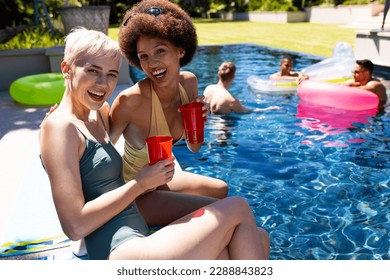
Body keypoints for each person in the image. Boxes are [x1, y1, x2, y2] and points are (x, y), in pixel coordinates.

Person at [40, 27, 270, 260]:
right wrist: (140, 184)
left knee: (258, 237)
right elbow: (74, 226)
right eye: (93, 71)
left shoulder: (97, 114)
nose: (103, 84)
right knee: (238, 208)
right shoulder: (60, 128)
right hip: (120, 252)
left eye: (111, 74)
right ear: (67, 69)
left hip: (140, 234)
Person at [110, 0, 227, 199]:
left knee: (221, 190)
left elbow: (194, 147)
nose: (152, 63)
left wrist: (199, 119)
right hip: (134, 192)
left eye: (160, 51)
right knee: (219, 210)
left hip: (163, 181)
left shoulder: (188, 83)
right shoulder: (130, 101)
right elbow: (98, 156)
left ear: (180, 50)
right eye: (143, 56)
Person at [204, 61, 280, 114]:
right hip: (224, 127)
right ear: (233, 77)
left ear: (218, 73)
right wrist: (268, 109)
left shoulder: (208, 89)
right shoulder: (231, 100)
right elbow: (246, 112)